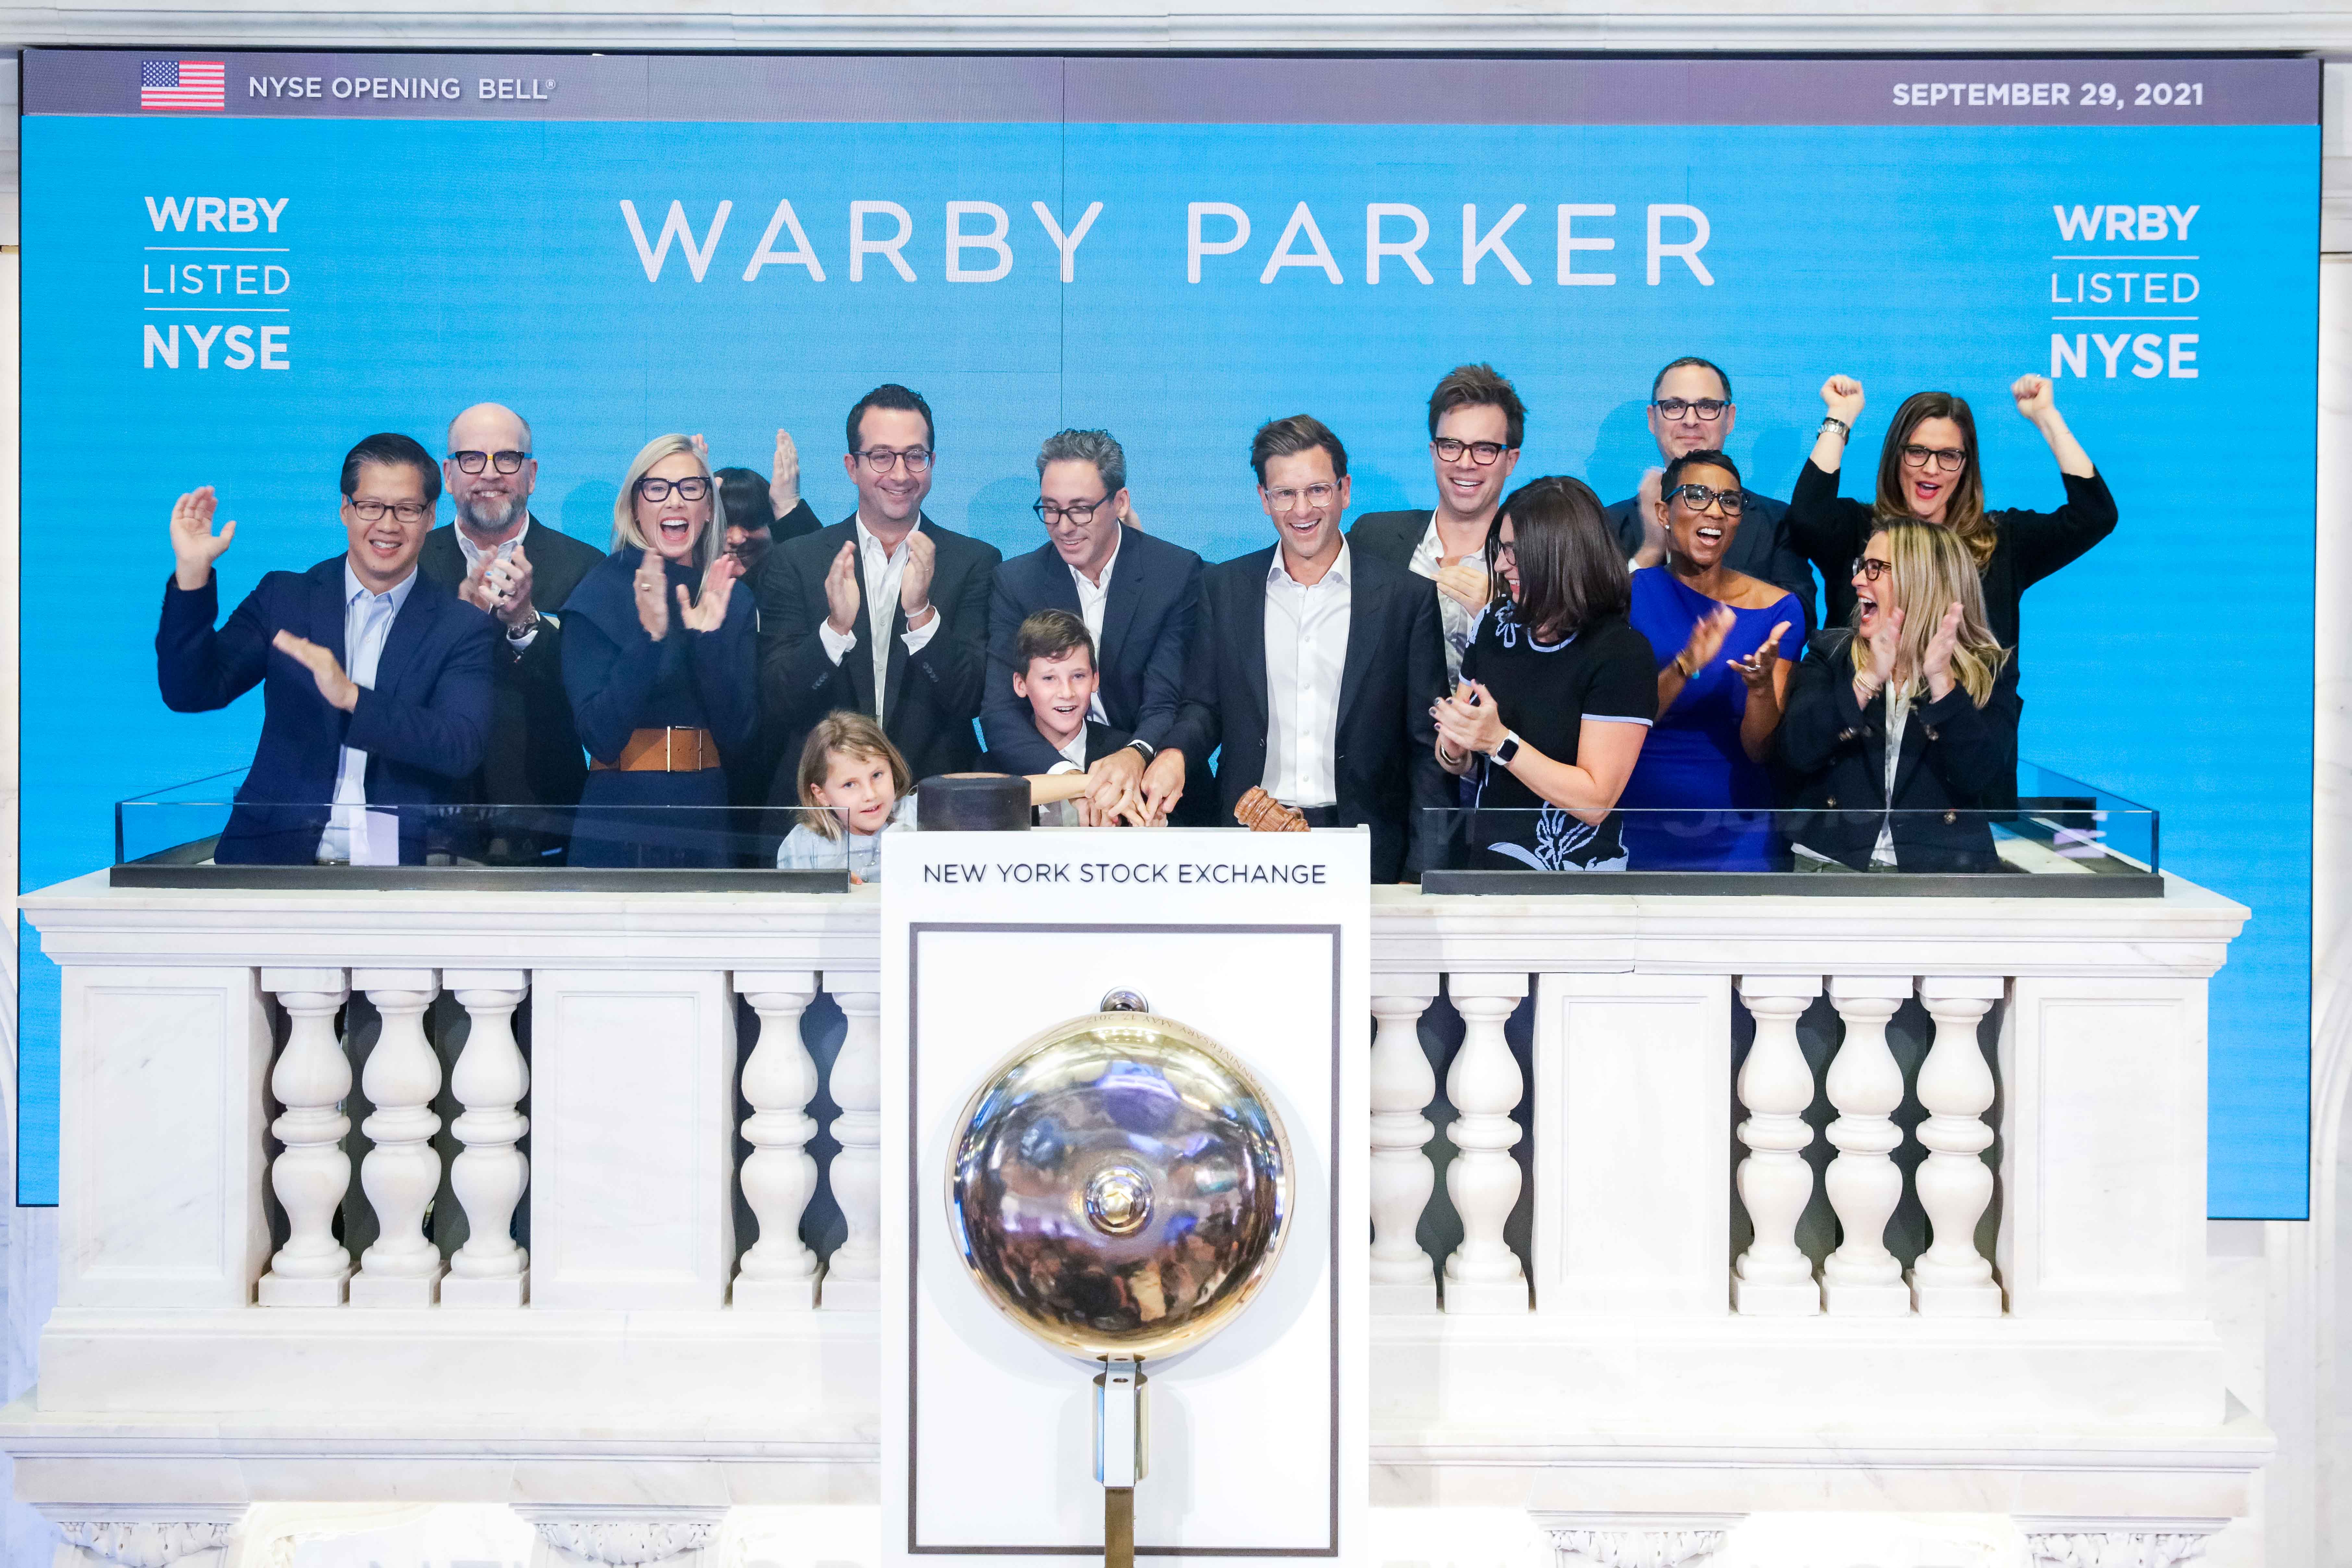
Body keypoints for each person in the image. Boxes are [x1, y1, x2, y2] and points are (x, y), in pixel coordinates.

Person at [155, 433, 495, 865]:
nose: (388, 525)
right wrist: (192, 570)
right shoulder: (286, 598)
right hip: (271, 861)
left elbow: (460, 746)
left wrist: (351, 697)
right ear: (345, 510)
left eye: (407, 509)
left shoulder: (461, 627)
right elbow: (191, 690)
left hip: (393, 875)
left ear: (430, 517)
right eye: (370, 506)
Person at [1155, 415, 1448, 881]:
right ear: (1264, 501)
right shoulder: (1224, 589)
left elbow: (1425, 746)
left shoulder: (1404, 598)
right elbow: (1203, 708)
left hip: (1366, 843)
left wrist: (1426, 871)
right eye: (1285, 494)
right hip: (1247, 836)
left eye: (1317, 490)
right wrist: (1173, 754)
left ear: (1344, 490)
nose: (1302, 509)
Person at [757, 384, 1001, 790]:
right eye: (882, 457)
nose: (901, 474)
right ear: (852, 467)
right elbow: (777, 699)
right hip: (824, 807)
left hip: (935, 798)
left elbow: (971, 698)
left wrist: (922, 614)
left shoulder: (973, 561)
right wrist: (835, 629)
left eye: (915, 457)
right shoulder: (797, 561)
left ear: (932, 462)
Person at [410, 403, 606, 863]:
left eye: (508, 459)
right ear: (449, 474)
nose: (491, 474)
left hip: (544, 822)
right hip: (429, 822)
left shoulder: (584, 566)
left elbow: (592, 701)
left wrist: (525, 622)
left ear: (532, 474)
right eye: (472, 459)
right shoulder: (409, 562)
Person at [1790, 373, 2114, 653]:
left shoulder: (2002, 542)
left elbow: (2094, 515)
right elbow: (1806, 515)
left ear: (1965, 466)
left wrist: (2046, 418)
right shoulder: (1857, 531)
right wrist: (1840, 417)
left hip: (1970, 720)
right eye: (1917, 452)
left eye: (1948, 455)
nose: (1931, 469)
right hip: (1864, 719)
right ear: (1895, 457)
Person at [1431, 476, 1655, 872]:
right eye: (1501, 550)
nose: (1500, 565)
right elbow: (1462, 762)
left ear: (1560, 554)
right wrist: (1455, 745)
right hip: (1487, 865)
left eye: (1515, 553)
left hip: (1571, 884)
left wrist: (1500, 742)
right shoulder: (1495, 623)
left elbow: (1595, 800)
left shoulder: (1621, 654)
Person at [983, 429, 1201, 821]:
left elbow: (1166, 698)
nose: (1064, 526)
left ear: (1119, 502)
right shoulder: (1017, 583)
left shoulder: (1174, 574)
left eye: (1080, 509)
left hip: (1156, 784)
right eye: (1051, 508)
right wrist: (1073, 781)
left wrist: (1135, 756)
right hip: (1049, 790)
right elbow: (999, 712)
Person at [1777, 521, 2020, 872]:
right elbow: (1796, 752)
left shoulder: (1992, 670)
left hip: (1943, 873)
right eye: (1861, 566)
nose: (1857, 580)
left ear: (1920, 580)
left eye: (1875, 569)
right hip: (1831, 865)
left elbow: (1980, 778)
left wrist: (1942, 684)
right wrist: (1867, 681)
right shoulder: (1831, 653)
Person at [561, 434, 756, 868]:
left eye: (691, 488)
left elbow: (740, 737)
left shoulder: (731, 597)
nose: (675, 501)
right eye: (657, 488)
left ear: (708, 508)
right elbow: (601, 737)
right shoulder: (599, 592)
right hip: (619, 816)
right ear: (635, 507)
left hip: (704, 814)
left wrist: (707, 641)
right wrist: (647, 641)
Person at [1619, 449, 1807, 870]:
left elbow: (1760, 750)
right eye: (1698, 495)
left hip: (1739, 832)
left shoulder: (1778, 611)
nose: (1716, 511)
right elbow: (1622, 725)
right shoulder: (1623, 596)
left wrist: (1759, 691)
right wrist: (1686, 665)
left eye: (1730, 500)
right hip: (1635, 825)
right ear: (1664, 512)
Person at [1348, 363, 1525, 682]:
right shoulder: (1373, 539)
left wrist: (1498, 617)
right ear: (1433, 452)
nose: (1465, 463)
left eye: (1484, 449)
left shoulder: (1537, 562)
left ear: (1510, 460)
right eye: (1451, 447)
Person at [1605, 356, 1816, 619]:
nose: (1690, 420)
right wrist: (1650, 552)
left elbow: (1800, 618)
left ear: (1729, 418)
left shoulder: (1776, 523)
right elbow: (1588, 628)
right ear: (1652, 419)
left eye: (1706, 406)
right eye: (1674, 406)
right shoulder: (1607, 524)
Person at [775, 710, 915, 881]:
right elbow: (791, 906)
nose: (870, 795)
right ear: (821, 795)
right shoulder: (802, 847)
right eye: (849, 785)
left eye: (877, 775)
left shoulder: (922, 814)